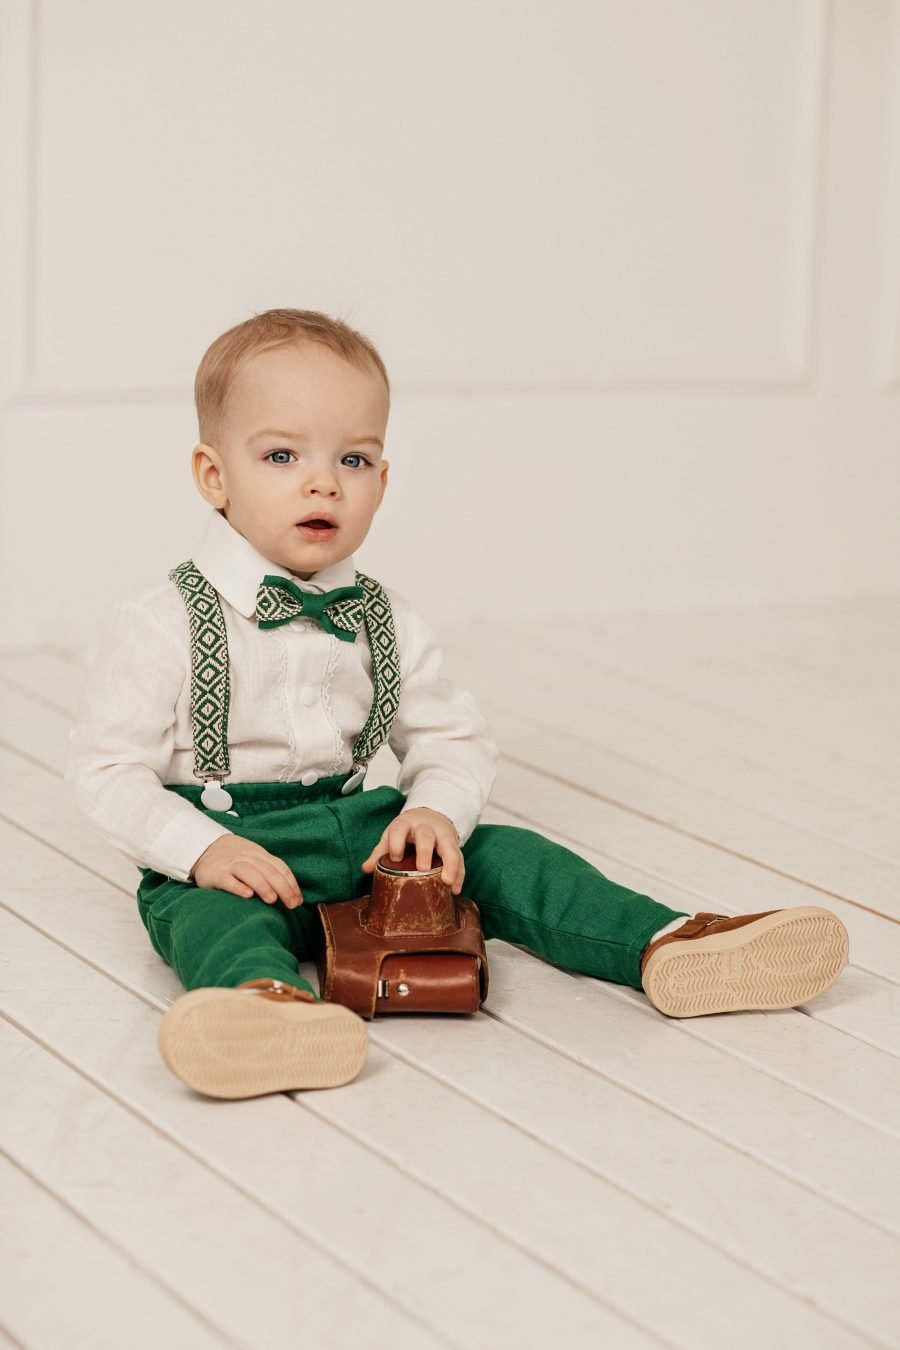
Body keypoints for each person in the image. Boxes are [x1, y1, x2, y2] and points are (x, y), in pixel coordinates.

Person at [65, 307, 850, 1100]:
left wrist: (434, 812)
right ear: (213, 475)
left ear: (383, 478)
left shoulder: (387, 617)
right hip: (232, 847)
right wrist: (200, 849)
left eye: (354, 458)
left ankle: (668, 941)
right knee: (214, 921)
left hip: (363, 834)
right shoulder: (160, 623)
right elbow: (107, 771)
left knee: (513, 858)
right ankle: (261, 1007)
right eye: (280, 454)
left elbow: (452, 737)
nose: (322, 481)